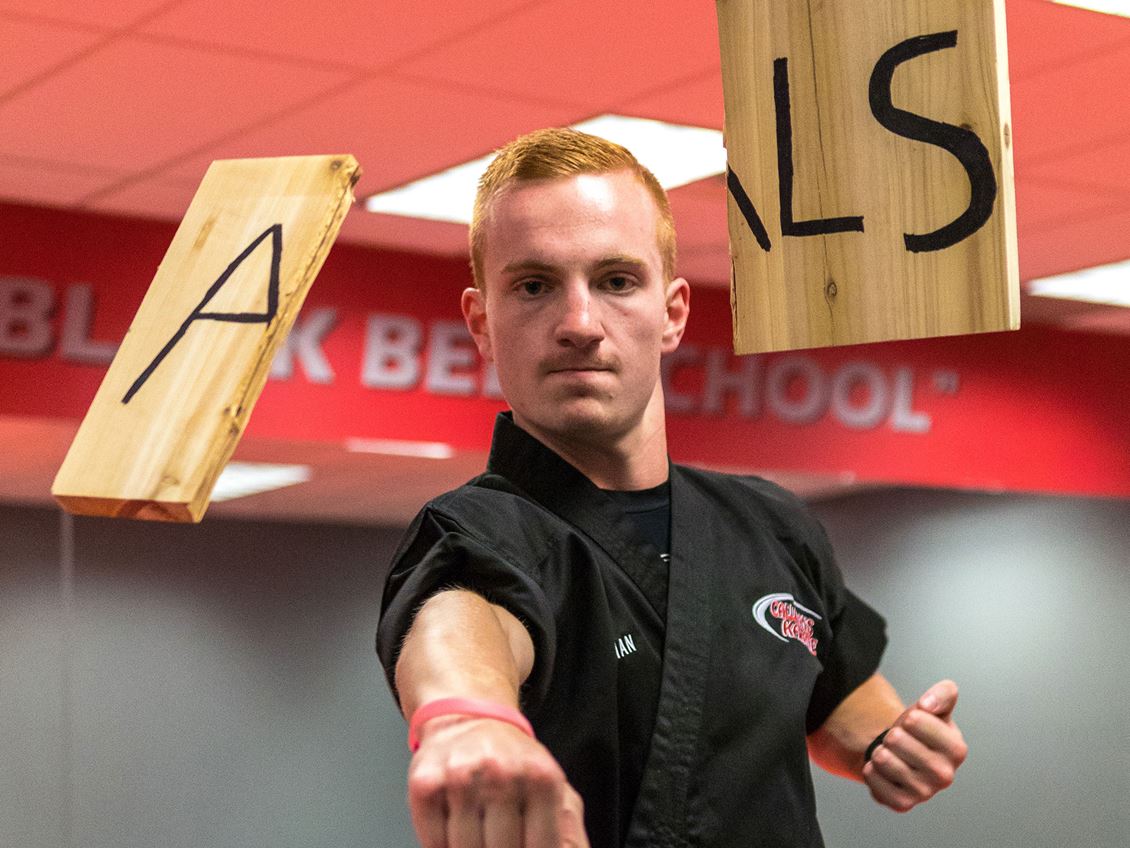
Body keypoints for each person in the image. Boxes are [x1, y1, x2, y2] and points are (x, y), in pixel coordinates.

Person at [376, 128, 967, 848]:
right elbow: (460, 623)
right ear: (481, 322)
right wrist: (467, 721)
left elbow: (833, 691)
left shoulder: (770, 523)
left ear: (673, 313)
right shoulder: (477, 532)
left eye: (616, 281)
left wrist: (887, 742)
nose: (579, 324)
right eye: (534, 286)